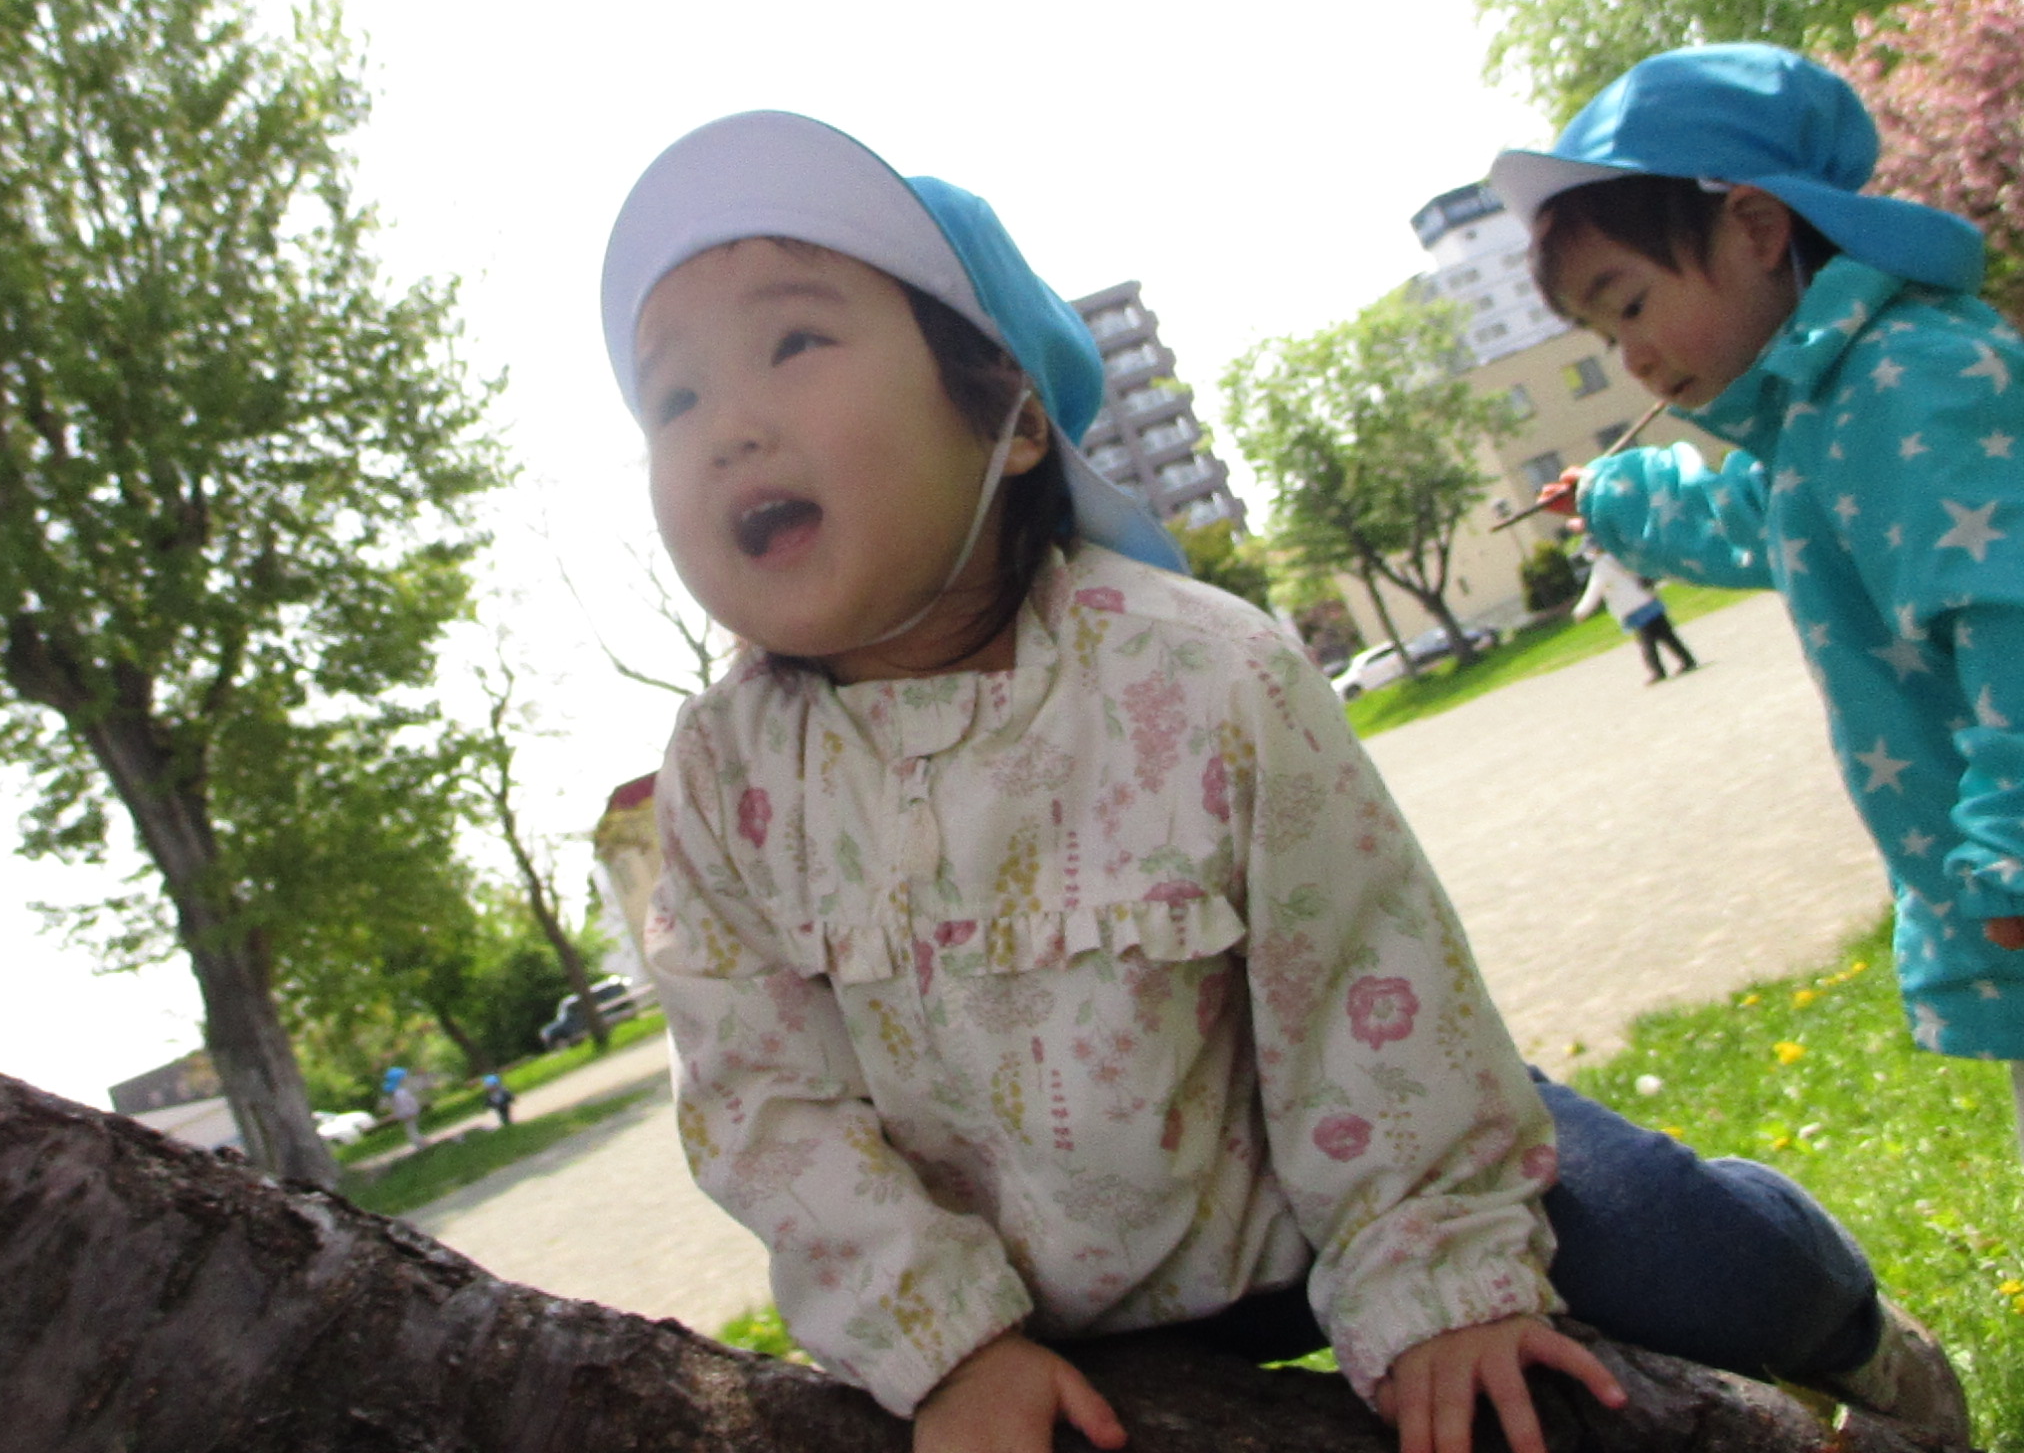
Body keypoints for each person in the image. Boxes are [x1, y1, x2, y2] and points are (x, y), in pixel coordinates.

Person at [602, 110, 1960, 1453]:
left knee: (1677, 1253)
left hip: (1331, 1172)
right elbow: (758, 1094)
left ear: (1013, 419)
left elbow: (1369, 969)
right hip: (1044, 1299)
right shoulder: (728, 784)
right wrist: (945, 1341)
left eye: (792, 343)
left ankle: (1855, 1332)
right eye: (674, 394)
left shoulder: (1199, 676)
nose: (726, 426)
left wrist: (1435, 1271)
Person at [1492, 43, 2024, 1150]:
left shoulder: (1909, 380)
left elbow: (2008, 607)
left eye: (1630, 304)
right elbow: (1753, 522)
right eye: (1603, 335)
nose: (1629, 357)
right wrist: (1617, 499)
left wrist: (2013, 841)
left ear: (1757, 227)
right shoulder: (1817, 422)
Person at [1569, 540, 1696, 682]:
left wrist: (1580, 611)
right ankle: (1687, 660)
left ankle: (1657, 671)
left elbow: (1594, 591)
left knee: (1647, 642)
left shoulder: (1602, 567)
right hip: (1649, 599)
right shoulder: (1622, 555)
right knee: (1667, 635)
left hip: (1633, 608)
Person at [383, 1066, 425, 1151]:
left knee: (411, 1127)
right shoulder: (400, 1092)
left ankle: (418, 1140)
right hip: (407, 1112)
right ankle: (418, 1142)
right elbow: (405, 1103)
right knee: (411, 1127)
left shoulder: (397, 1092)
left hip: (406, 1112)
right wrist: (410, 1111)